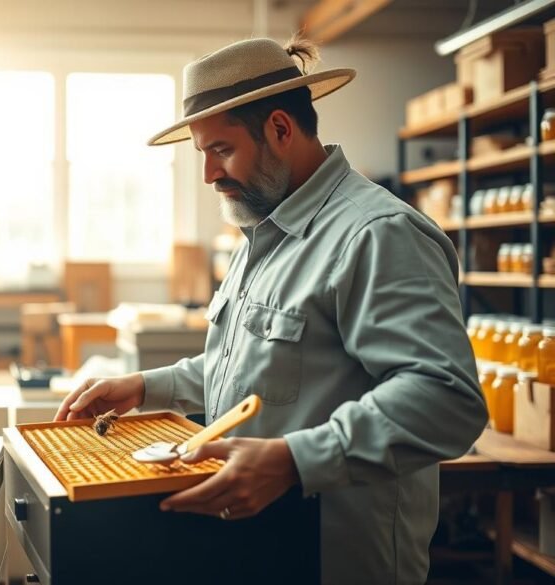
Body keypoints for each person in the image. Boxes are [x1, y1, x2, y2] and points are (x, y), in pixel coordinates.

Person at [54, 36, 488, 584]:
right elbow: (260, 370)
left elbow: (447, 400)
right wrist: (146, 387)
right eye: (203, 154)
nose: (210, 174)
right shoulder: (264, 233)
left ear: (281, 130)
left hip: (342, 558)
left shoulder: (377, 235)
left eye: (222, 150)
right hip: (264, 547)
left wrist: (294, 460)